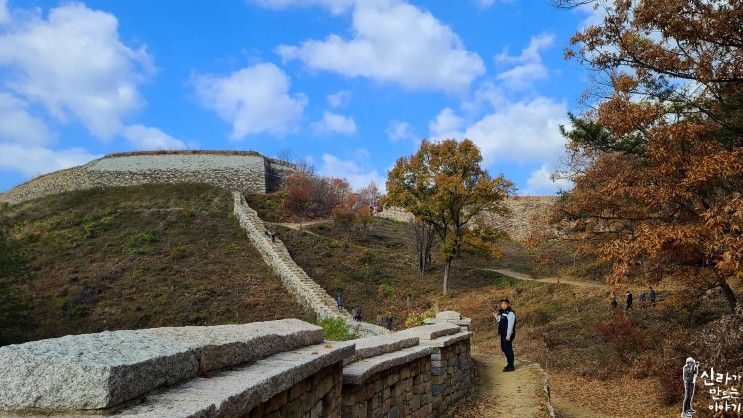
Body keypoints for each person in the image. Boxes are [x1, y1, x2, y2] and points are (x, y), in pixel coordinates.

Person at [492, 298, 516, 372]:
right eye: (502, 304)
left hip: (507, 335)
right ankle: (509, 363)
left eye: (505, 304)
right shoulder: (503, 312)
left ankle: (511, 366)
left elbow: (511, 325)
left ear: (508, 304)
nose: (503, 305)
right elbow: (500, 320)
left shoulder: (510, 313)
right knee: (504, 348)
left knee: (508, 349)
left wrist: (508, 336)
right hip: (503, 334)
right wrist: (496, 316)